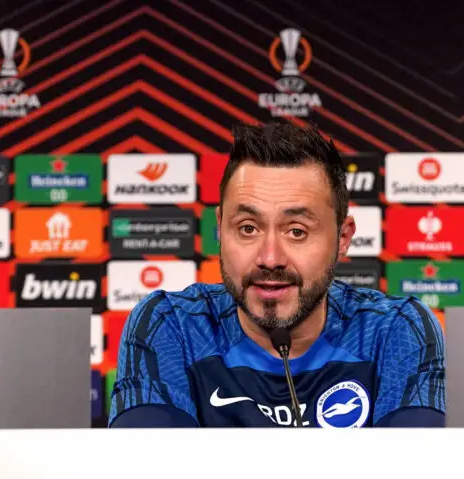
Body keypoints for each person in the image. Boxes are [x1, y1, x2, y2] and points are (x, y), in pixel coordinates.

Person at [109, 120, 445, 428]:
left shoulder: (394, 330)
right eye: (248, 228)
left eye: (297, 231)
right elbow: (148, 465)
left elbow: (420, 466)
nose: (270, 258)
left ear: (343, 238)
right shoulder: (172, 325)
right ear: (220, 230)